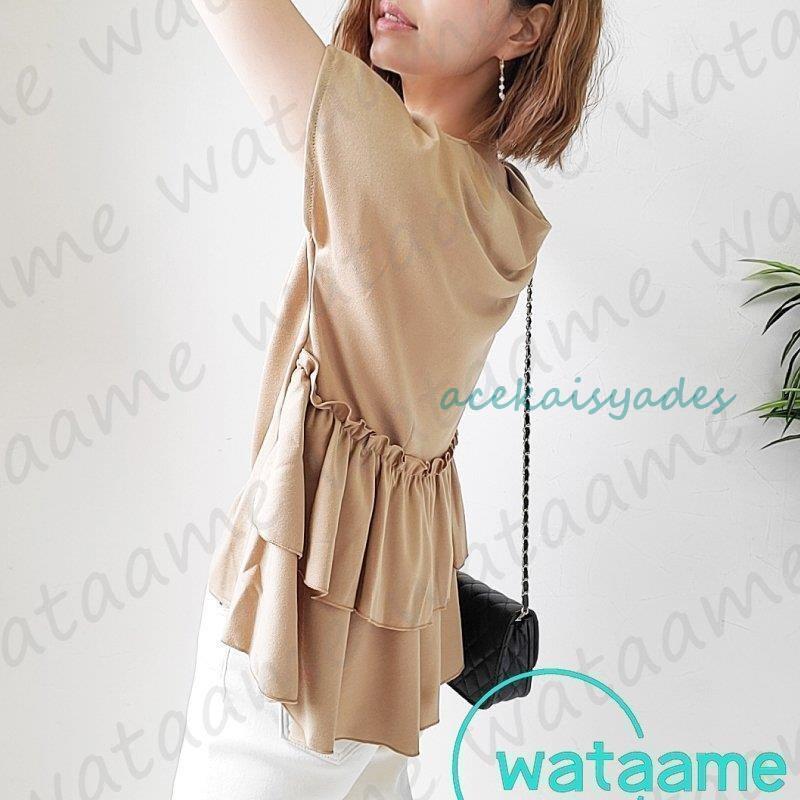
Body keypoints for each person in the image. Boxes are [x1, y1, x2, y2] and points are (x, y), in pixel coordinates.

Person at [170, 1, 606, 798]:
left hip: (295, 634)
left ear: (523, 30)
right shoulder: (502, 206)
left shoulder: (393, 165)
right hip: (394, 639)